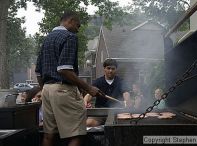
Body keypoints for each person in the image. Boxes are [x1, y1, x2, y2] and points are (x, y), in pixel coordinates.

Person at [35, 11, 104, 146]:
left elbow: (38, 71)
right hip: (63, 90)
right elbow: (64, 69)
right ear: (70, 21)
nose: (77, 30)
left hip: (47, 91)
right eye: (77, 26)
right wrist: (88, 88)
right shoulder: (69, 36)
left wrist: (45, 90)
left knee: (49, 135)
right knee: (76, 135)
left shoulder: (47, 39)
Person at [84, 59, 131, 127]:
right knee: (88, 124)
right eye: (108, 68)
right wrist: (85, 101)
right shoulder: (98, 82)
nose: (110, 71)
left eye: (113, 69)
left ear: (116, 69)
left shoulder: (121, 82)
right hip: (100, 113)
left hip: (117, 112)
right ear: (104, 69)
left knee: (121, 125)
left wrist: (127, 101)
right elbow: (89, 95)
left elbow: (126, 93)